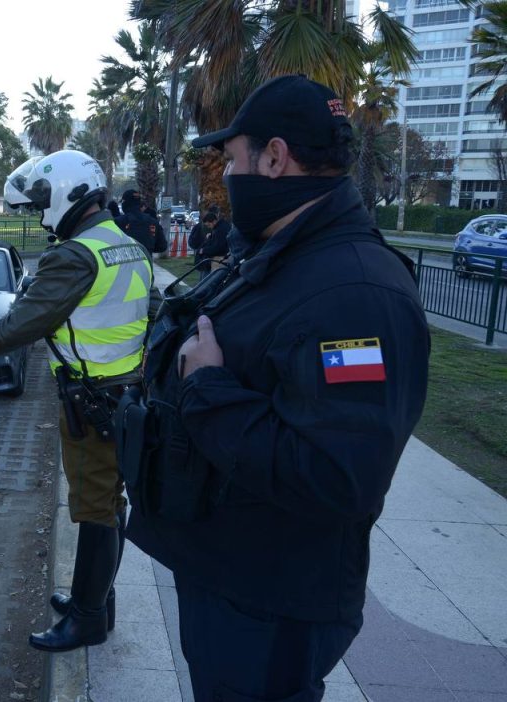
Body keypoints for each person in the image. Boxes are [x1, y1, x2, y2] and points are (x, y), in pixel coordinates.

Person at [126, 74, 430, 701]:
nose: (229, 175)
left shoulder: (354, 295)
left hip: (271, 602)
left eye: (234, 159)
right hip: (234, 574)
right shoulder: (282, 256)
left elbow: (337, 475)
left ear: (273, 157)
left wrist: (206, 386)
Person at [0, 150, 152, 653]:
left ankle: (88, 619)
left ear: (70, 195)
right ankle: (98, 601)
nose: (41, 213)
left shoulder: (74, 254)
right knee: (110, 503)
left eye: (43, 201)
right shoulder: (126, 244)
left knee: (93, 509)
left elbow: (26, 322)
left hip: (91, 402)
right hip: (127, 396)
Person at [114, 189, 167, 258]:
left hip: (124, 264)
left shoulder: (118, 222)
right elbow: (162, 246)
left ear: (125, 203)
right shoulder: (153, 222)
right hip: (146, 265)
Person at [186, 210, 230, 277]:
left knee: (207, 279)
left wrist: (203, 250)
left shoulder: (220, 230)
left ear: (214, 221)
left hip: (216, 259)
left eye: (209, 224)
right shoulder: (219, 228)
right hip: (212, 260)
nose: (208, 227)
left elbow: (218, 247)